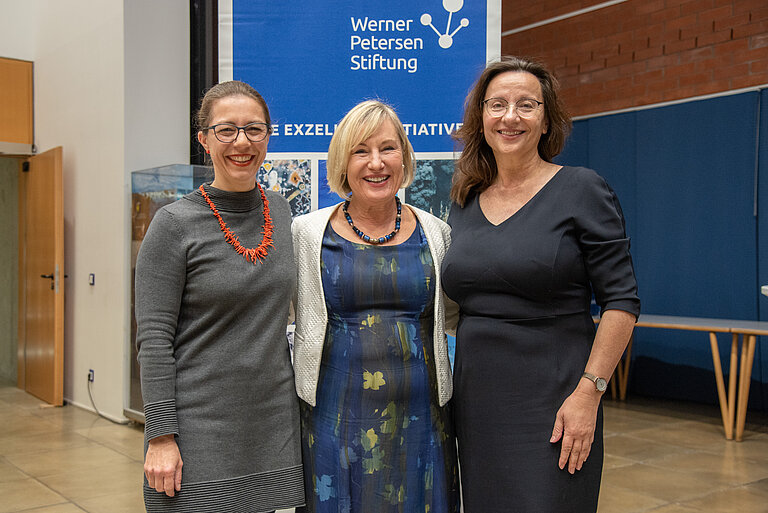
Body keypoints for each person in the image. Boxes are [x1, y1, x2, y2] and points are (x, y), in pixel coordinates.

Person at [442, 56, 640, 512]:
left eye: (526, 105)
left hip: (557, 403)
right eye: (497, 105)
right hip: (477, 405)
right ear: (481, 118)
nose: (510, 116)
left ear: (546, 119)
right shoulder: (465, 200)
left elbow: (621, 302)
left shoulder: (582, 189)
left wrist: (589, 393)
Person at [135, 80, 304, 512]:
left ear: (268, 136)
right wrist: (160, 435)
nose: (241, 142)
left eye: (254, 129)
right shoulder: (173, 224)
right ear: (204, 139)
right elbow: (154, 340)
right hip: (197, 427)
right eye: (226, 130)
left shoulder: (281, 210)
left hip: (271, 423)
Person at [292, 100, 460, 512]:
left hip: (423, 420)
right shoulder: (307, 233)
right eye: (361, 151)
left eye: (388, 148)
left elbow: (454, 316)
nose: (376, 163)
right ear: (342, 163)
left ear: (404, 157)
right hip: (333, 418)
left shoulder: (437, 232)